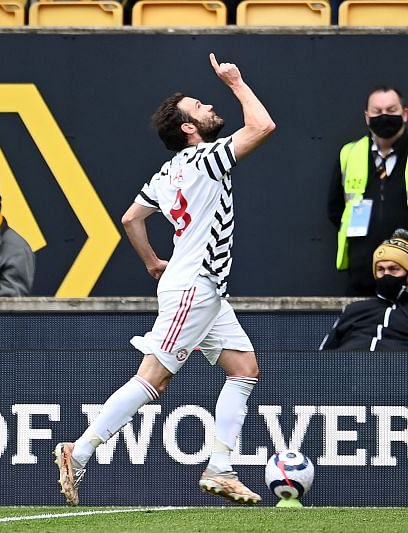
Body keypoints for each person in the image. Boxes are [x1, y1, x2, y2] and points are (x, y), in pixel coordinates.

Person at [53, 53, 276, 507]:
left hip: (201, 287)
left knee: (244, 370)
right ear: (189, 128)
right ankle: (80, 451)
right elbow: (262, 127)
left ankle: (220, 468)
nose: (209, 108)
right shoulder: (208, 158)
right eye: (199, 106)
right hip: (195, 285)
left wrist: (154, 262)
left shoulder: (166, 172)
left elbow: (132, 218)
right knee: (153, 378)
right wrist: (235, 81)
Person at [328, 86, 408, 296]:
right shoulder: (349, 153)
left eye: (391, 111)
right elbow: (336, 210)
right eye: (377, 112)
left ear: (405, 113)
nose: (384, 117)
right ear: (367, 117)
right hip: (362, 273)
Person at [320, 228, 408, 351]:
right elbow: (321, 357)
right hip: (348, 368)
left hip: (395, 368)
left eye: (393, 269)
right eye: (380, 269)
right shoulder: (354, 310)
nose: (386, 274)